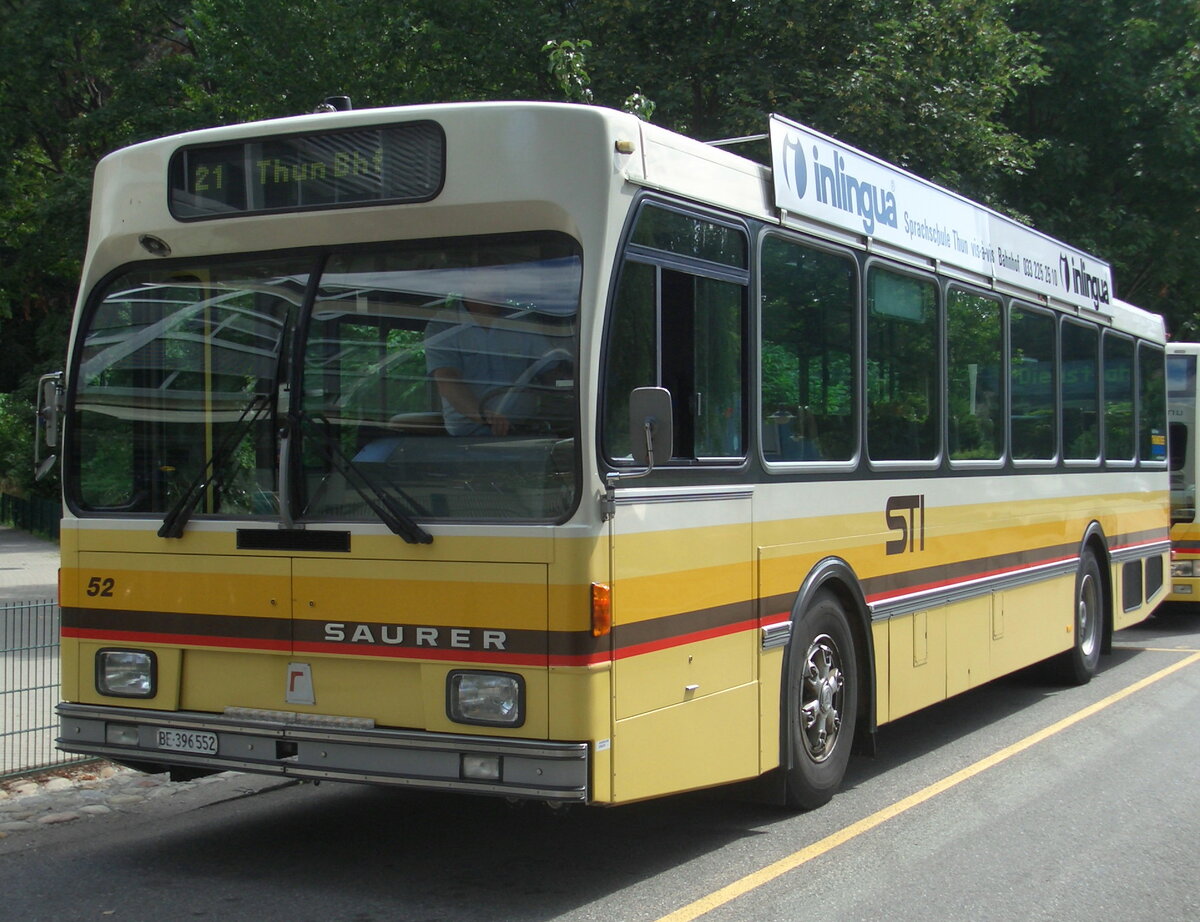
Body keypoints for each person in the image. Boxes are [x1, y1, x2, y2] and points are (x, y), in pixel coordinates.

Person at [424, 296, 550, 436]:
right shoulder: (444, 324)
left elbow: (551, 370)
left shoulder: (521, 320)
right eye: (487, 277)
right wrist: (483, 416)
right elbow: (447, 380)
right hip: (467, 440)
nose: (498, 285)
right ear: (467, 281)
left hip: (527, 434)